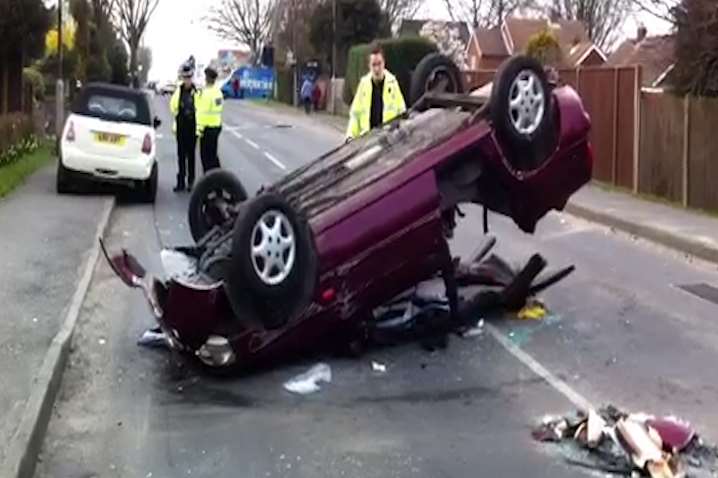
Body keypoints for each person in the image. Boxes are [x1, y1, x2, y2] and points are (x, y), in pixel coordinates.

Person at [346, 43, 406, 140]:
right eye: (374, 65)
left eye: (379, 64)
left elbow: (402, 113)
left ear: (384, 63)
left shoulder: (393, 83)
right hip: (367, 140)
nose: (377, 69)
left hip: (387, 140)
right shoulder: (363, 84)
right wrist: (350, 136)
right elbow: (355, 114)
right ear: (369, 66)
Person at [170, 63, 197, 192]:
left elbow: (200, 108)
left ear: (192, 78)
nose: (187, 80)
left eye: (189, 77)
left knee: (191, 156)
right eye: (185, 77)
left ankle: (191, 181)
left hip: (192, 126)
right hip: (181, 127)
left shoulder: (197, 91)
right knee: (181, 156)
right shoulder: (178, 91)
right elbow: (173, 106)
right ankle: (180, 182)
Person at [195, 66, 224, 172]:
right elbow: (218, 109)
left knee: (205, 158)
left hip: (206, 129)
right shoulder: (218, 93)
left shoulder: (205, 94)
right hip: (216, 127)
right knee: (213, 156)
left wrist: (198, 130)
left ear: (207, 79)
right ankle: (220, 180)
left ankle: (209, 181)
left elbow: (201, 113)